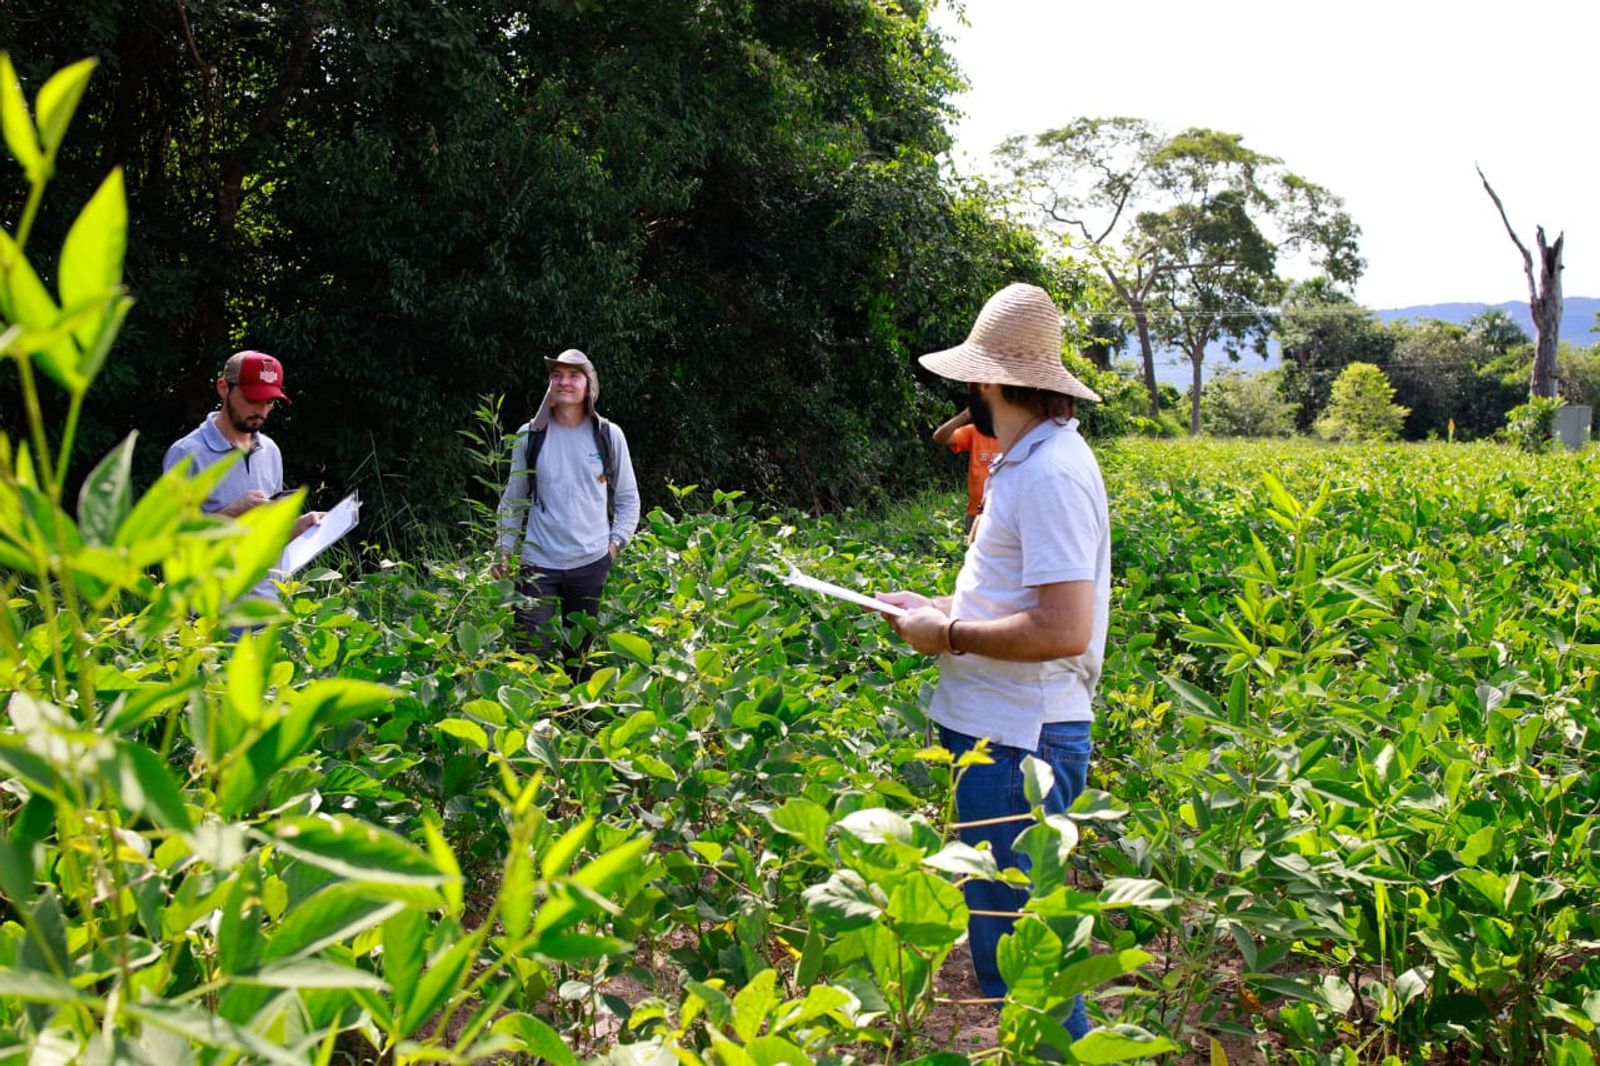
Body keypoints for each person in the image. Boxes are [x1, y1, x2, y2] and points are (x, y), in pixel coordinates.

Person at [877, 283, 1109, 1039]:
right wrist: (942, 612)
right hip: (998, 736)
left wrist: (948, 637)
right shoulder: (1026, 458)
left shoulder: (1049, 471)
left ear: (986, 380)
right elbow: (1022, 603)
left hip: (1021, 745)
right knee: (1006, 953)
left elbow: (1064, 626)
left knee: (1026, 967)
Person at [493, 349, 640, 667]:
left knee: (580, 659)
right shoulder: (530, 436)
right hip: (537, 564)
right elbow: (513, 499)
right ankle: (533, 716)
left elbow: (628, 500)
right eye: (556, 375)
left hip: (589, 565)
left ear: (590, 385)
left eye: (574, 375)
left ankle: (575, 716)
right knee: (531, 657)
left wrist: (611, 550)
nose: (564, 382)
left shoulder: (607, 435)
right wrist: (503, 549)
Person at [163, 350, 323, 598]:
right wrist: (236, 511)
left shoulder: (270, 450)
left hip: (268, 608)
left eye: (269, 402)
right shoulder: (187, 453)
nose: (261, 410)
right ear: (223, 387)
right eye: (252, 399)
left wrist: (300, 527)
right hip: (212, 619)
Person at [932, 407, 1002, 536]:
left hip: (1004, 515)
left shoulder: (1016, 435)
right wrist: (965, 415)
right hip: (975, 513)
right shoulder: (975, 431)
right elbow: (939, 437)